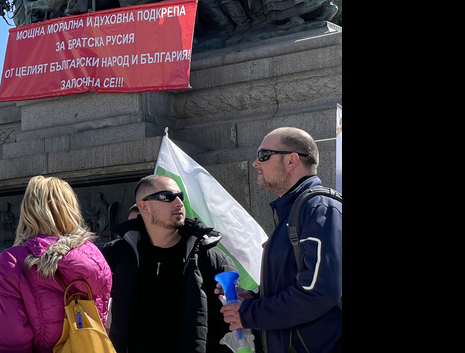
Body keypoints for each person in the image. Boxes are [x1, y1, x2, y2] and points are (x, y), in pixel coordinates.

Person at [219, 127, 342, 353]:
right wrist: (254, 299)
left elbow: (317, 292)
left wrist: (249, 313)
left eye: (264, 155)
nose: (256, 163)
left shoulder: (319, 209)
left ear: (291, 161)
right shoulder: (295, 211)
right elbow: (293, 286)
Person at [101, 174, 235, 352]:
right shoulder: (115, 256)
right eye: (168, 197)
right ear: (144, 207)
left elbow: (231, 320)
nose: (179, 203)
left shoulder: (209, 257)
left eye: (180, 196)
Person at [0, 175, 112, 352]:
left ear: (28, 211)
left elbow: (12, 342)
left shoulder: (13, 261)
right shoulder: (95, 257)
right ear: (71, 209)